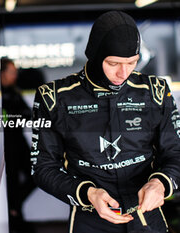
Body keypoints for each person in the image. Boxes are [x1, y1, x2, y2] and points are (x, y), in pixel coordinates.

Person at [31, 11, 180, 233]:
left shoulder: (155, 92)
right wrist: (88, 193)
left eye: (132, 63)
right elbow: (42, 167)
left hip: (146, 216)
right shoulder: (54, 97)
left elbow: (176, 153)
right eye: (113, 63)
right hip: (90, 217)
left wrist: (160, 183)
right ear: (95, 54)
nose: (123, 72)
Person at [1, 57, 36, 233]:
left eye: (15, 72)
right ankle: (15, 219)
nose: (15, 75)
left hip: (19, 142)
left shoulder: (14, 92)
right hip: (5, 145)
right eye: (11, 72)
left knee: (36, 174)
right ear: (1, 73)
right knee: (11, 181)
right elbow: (3, 120)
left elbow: (27, 114)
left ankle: (14, 208)